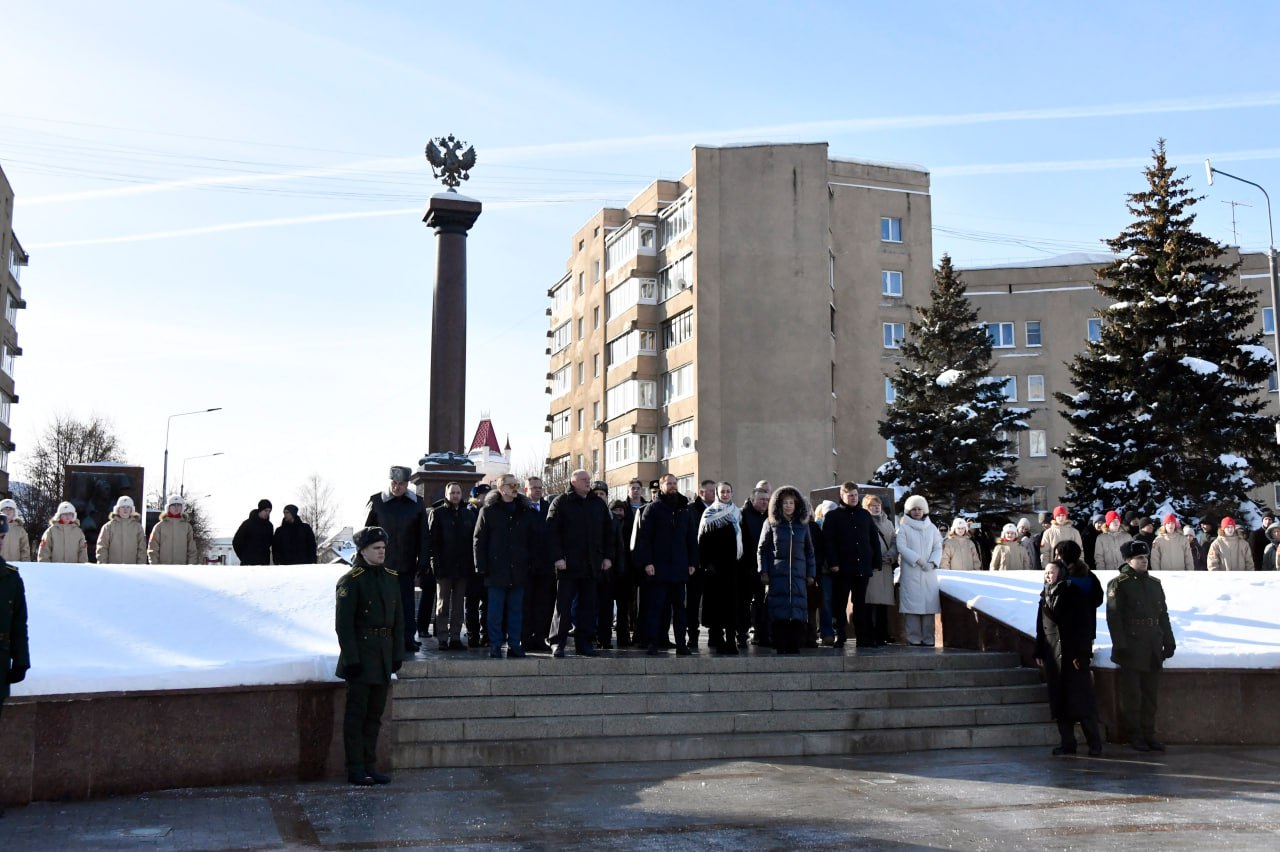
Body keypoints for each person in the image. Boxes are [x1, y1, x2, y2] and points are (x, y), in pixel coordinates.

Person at [334, 526, 404, 786]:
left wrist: (397, 654)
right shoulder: (351, 580)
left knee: (374, 716)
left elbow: (399, 621)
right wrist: (351, 659)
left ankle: (370, 765)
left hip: (383, 655)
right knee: (357, 716)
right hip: (361, 656)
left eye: (383, 548)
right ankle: (355, 768)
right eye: (376, 548)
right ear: (363, 551)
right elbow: (344, 625)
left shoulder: (390, 577)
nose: (382, 552)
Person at [1106, 539, 1175, 751]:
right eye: (1139, 558)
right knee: (1132, 696)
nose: (1144, 561)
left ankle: (1149, 734)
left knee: (1150, 695)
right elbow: (1114, 617)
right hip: (1132, 645)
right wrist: (1120, 645)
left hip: (1152, 644)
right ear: (1128, 560)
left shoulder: (1154, 583)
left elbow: (1162, 615)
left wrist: (1169, 640)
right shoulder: (1119, 583)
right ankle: (1135, 735)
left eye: (1145, 557)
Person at [1036, 556, 1103, 757]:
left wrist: (1083, 654)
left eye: (1052, 572)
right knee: (1059, 702)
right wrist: (1039, 650)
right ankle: (1067, 743)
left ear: (1061, 574)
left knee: (1081, 702)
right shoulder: (1044, 596)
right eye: (1046, 573)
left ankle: (1094, 744)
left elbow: (1084, 627)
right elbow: (1041, 628)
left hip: (1073, 656)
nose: (1048, 576)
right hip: (1054, 656)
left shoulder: (1074, 594)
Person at [545, 470, 614, 658]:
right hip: (568, 565)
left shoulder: (597, 504)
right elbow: (552, 533)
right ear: (573, 482)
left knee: (588, 606)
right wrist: (557, 557)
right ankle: (557, 642)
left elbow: (608, 533)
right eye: (584, 480)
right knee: (563, 606)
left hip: (591, 564)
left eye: (589, 479)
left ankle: (584, 644)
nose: (588, 482)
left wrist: (608, 557)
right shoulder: (561, 502)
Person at [473, 474, 541, 658]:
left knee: (516, 611)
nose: (515, 488)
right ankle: (495, 644)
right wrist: (481, 566)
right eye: (511, 485)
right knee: (495, 612)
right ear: (501, 488)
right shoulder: (488, 511)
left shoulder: (524, 511)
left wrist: (531, 562)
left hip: (519, 568)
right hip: (496, 569)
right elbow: (479, 540)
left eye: (516, 485)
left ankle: (514, 644)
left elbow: (532, 540)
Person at [365, 466, 429, 653]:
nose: (397, 487)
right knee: (382, 605)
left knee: (406, 605)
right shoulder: (377, 502)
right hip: (381, 565)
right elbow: (367, 533)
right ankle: (383, 640)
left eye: (401, 484)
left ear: (407, 484)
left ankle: (407, 639)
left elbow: (424, 536)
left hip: (406, 564)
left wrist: (423, 561)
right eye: (394, 483)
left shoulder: (417, 504)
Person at [634, 473, 697, 656]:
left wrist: (692, 561)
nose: (672, 486)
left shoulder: (684, 509)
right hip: (658, 568)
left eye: (674, 483)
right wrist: (647, 562)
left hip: (679, 567)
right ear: (661, 486)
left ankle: (681, 644)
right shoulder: (653, 508)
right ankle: (652, 642)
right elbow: (644, 539)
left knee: (679, 609)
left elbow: (691, 538)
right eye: (669, 483)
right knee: (656, 607)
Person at [757, 486, 816, 655]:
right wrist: (764, 571)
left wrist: (811, 574)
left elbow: (809, 551)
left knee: (797, 609)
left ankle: (794, 643)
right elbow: (762, 549)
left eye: (791, 503)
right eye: (785, 503)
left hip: (798, 574)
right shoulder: (771, 524)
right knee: (778, 609)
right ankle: (779, 643)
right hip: (778, 574)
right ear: (779, 505)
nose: (788, 506)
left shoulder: (802, 525)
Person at [823, 482, 882, 648]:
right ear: (842, 496)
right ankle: (840, 635)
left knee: (860, 603)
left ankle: (862, 637)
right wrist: (833, 562)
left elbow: (873, 538)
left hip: (862, 566)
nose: (854, 498)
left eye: (856, 495)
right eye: (850, 496)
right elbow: (828, 542)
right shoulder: (833, 516)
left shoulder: (864, 515)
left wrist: (876, 560)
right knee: (840, 603)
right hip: (842, 568)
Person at [428, 482, 474, 651]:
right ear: (446, 494)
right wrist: (435, 564)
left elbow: (472, 541)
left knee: (458, 605)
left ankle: (455, 637)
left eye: (458, 492)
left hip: (463, 567)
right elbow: (432, 542)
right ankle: (442, 638)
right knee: (442, 604)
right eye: (452, 492)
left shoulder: (468, 514)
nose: (455, 495)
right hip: (444, 566)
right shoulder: (437, 513)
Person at [697, 481, 742, 655]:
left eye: (728, 491)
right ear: (717, 493)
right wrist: (707, 563)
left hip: (733, 567)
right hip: (714, 569)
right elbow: (702, 541)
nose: (725, 494)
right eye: (722, 492)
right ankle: (718, 639)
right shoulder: (709, 513)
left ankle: (731, 640)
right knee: (716, 605)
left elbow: (742, 538)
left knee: (732, 605)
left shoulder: (737, 513)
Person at [896, 494, 943, 647]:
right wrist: (918, 560)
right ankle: (913, 638)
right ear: (909, 511)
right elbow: (901, 547)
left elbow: (938, 547)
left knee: (929, 607)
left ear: (924, 510)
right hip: (911, 572)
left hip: (929, 573)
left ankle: (929, 638)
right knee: (912, 608)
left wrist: (933, 562)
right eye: (914, 509)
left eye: (919, 509)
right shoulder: (904, 528)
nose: (917, 512)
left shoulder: (932, 528)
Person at [1, 514, 30, 735]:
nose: (0, 542)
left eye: (1, 537)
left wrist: (21, 662)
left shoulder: (11, 577)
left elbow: (19, 624)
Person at [521, 477, 555, 653]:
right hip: (526, 565)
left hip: (545, 565)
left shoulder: (549, 509)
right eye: (534, 487)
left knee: (543, 604)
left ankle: (540, 637)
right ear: (526, 489)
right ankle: (525, 638)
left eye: (540, 488)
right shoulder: (521, 509)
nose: (537, 490)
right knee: (526, 604)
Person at [614, 478, 647, 649]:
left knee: (643, 600)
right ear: (628, 491)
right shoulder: (622, 508)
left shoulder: (647, 507)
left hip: (643, 562)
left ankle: (641, 634)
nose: (635, 491)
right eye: (632, 488)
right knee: (625, 601)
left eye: (638, 488)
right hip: (625, 561)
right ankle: (624, 635)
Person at [684, 479, 716, 650]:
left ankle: (714, 634)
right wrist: (692, 561)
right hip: (696, 565)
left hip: (714, 566)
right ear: (702, 492)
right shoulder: (690, 510)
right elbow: (689, 537)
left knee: (713, 602)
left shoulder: (719, 509)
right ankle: (692, 636)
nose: (715, 494)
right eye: (712, 491)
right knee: (693, 603)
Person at [863, 494, 897, 646]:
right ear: (867, 508)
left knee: (884, 604)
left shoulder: (888, 523)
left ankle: (883, 633)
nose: (876, 508)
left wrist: (890, 556)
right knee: (871, 603)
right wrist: (874, 557)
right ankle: (871, 634)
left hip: (886, 567)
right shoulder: (864, 522)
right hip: (872, 567)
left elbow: (895, 542)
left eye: (878, 505)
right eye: (873, 506)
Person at [464, 482, 493, 648]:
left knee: (487, 603)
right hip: (471, 566)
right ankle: (472, 635)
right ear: (476, 496)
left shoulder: (491, 512)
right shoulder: (469, 513)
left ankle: (485, 635)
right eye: (484, 495)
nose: (487, 498)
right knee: (472, 603)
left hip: (488, 566)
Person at [742, 487, 771, 647]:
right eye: (761, 500)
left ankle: (761, 634)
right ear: (752, 500)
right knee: (745, 602)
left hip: (764, 568)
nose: (764, 503)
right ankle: (742, 633)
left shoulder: (770, 517)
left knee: (762, 603)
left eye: (767, 500)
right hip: (747, 567)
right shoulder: (742, 516)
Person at [148, 494, 198, 564]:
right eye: (173, 505)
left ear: (182, 507)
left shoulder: (187, 527)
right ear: (168, 507)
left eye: (179, 505)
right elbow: (153, 548)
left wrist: (191, 565)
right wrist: (155, 565)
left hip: (182, 567)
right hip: (162, 567)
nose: (176, 507)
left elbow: (192, 550)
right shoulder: (159, 526)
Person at [95, 495, 146, 564]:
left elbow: (142, 549)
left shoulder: (138, 528)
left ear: (131, 510)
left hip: (132, 568)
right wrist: (103, 565)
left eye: (128, 507)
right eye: (123, 507)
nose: (125, 509)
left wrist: (140, 566)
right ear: (118, 509)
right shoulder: (108, 527)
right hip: (112, 567)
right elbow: (102, 547)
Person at [232, 499, 274, 566]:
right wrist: (243, 557)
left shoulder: (269, 526)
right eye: (265, 510)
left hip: (264, 563)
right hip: (248, 563)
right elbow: (236, 542)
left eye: (269, 511)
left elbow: (269, 543)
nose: (267, 513)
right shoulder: (247, 524)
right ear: (260, 510)